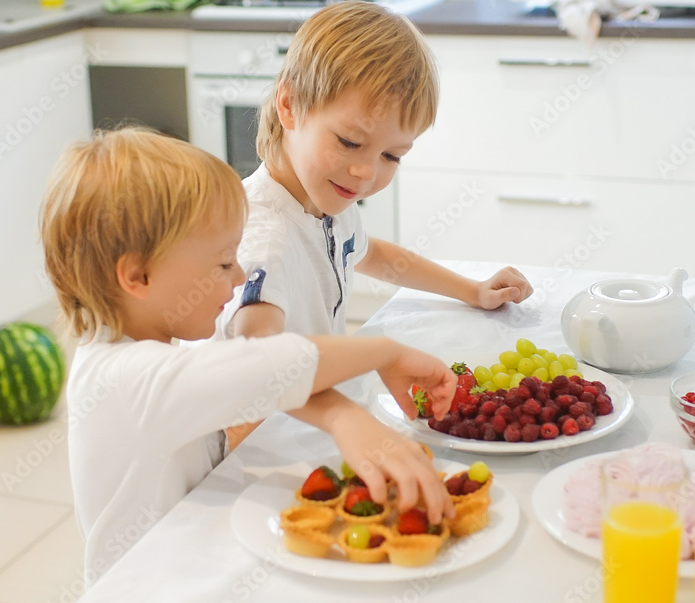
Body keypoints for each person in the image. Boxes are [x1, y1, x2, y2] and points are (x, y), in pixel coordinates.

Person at [39, 128, 457, 579]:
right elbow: (272, 364)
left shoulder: (132, 351)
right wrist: (384, 354)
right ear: (138, 276)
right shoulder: (126, 379)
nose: (239, 276)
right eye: (222, 262)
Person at [214, 0, 534, 446]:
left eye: (391, 156)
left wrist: (471, 289)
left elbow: (375, 255)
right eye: (349, 142)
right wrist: (372, 359)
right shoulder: (264, 236)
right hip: (257, 448)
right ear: (289, 105)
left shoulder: (322, 203)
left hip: (304, 422)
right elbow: (256, 358)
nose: (366, 172)